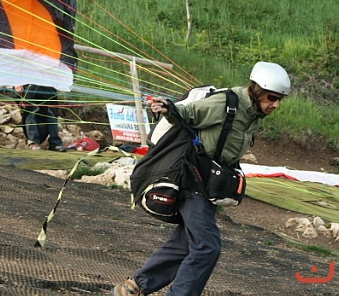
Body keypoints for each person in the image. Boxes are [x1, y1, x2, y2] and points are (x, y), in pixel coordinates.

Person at [112, 61, 291, 296]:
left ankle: (133, 286)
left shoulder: (253, 115)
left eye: (279, 100)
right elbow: (187, 113)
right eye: (272, 98)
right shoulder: (226, 103)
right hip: (191, 182)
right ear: (257, 90)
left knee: (186, 242)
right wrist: (167, 108)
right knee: (207, 246)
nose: (275, 105)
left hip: (208, 184)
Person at [15, 84, 66, 152]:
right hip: (29, 91)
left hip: (47, 90)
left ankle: (55, 143)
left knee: (51, 114)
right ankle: (33, 142)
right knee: (30, 112)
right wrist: (17, 85)